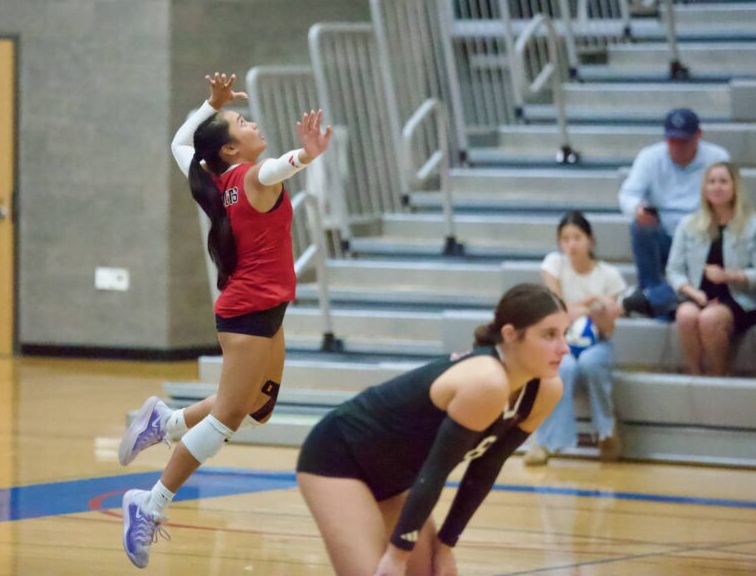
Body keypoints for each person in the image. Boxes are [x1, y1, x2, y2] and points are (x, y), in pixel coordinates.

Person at [119, 72, 331, 569]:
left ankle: (165, 421)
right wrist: (307, 156)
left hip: (265, 308)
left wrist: (208, 103)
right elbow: (278, 168)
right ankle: (148, 505)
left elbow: (180, 142)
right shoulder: (252, 176)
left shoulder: (213, 179)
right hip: (248, 313)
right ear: (233, 150)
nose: (252, 122)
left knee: (258, 406)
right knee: (225, 420)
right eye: (241, 121)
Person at [296, 284, 568, 576]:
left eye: (565, 333)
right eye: (549, 335)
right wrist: (397, 557)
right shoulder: (487, 381)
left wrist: (446, 546)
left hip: (395, 477)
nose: (563, 347)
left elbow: (487, 466)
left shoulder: (545, 390)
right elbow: (436, 470)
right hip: (339, 458)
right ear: (510, 335)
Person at [524, 212, 626, 466]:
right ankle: (545, 442)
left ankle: (607, 432)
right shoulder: (554, 264)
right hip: (562, 342)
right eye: (565, 239)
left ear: (590, 240)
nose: (571, 244)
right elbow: (556, 311)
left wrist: (591, 311)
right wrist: (593, 302)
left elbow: (608, 329)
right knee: (563, 367)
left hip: (597, 343)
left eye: (577, 238)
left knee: (591, 363)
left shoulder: (609, 275)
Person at [618, 108, 730, 317]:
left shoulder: (718, 158)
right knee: (639, 226)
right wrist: (638, 209)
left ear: (698, 136)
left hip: (701, 235)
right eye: (673, 141)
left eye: (684, 141)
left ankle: (659, 300)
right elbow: (628, 193)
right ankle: (655, 291)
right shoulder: (650, 157)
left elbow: (731, 198)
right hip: (664, 235)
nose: (677, 147)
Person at [667, 162, 756, 376]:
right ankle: (694, 375)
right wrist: (692, 292)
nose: (717, 187)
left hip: (740, 299)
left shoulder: (754, 225)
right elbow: (674, 270)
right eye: (711, 182)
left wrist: (729, 275)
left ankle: (718, 377)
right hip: (699, 295)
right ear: (704, 188)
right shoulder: (689, 224)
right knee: (685, 315)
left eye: (723, 182)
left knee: (709, 319)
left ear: (735, 187)